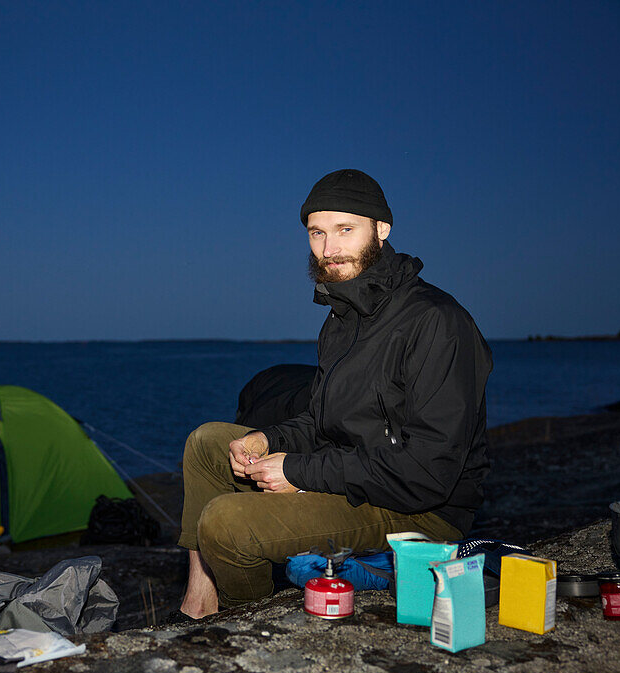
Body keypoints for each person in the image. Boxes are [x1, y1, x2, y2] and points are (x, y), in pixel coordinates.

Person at [175, 169, 493, 620]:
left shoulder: (436, 322)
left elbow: (427, 472)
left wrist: (299, 471)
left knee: (226, 524)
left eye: (346, 230)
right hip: (355, 475)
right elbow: (323, 419)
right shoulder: (343, 317)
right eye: (317, 233)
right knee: (207, 442)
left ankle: (248, 620)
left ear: (381, 230)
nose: (329, 249)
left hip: (418, 513)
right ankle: (201, 597)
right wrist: (269, 441)